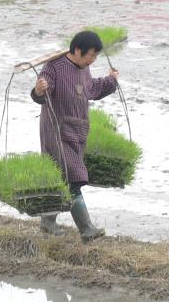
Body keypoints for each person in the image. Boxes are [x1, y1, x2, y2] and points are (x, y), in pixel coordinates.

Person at [31, 30, 119, 240]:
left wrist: (111, 81)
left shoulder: (83, 69)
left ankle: (47, 223)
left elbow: (92, 89)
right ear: (77, 50)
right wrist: (39, 90)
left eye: (96, 56)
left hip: (78, 132)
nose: (93, 60)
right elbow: (39, 93)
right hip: (57, 132)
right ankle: (86, 229)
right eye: (91, 55)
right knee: (73, 179)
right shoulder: (54, 67)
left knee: (60, 177)